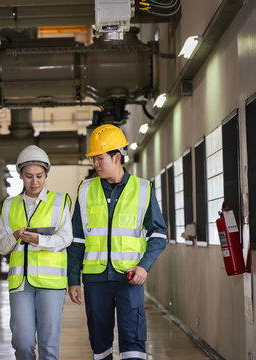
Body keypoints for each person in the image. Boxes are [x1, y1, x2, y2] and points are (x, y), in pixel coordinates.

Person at [67, 124, 167, 360]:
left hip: (128, 278)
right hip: (95, 280)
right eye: (93, 160)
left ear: (117, 157)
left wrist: (144, 266)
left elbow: (159, 234)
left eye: (100, 158)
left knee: (132, 340)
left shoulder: (143, 189)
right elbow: (76, 239)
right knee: (99, 343)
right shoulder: (85, 189)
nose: (96, 164)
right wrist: (73, 280)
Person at [0, 145, 73, 360]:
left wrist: (40, 240)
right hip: (21, 284)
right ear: (20, 175)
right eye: (28, 176)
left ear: (46, 174)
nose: (34, 181)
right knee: (23, 343)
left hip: (51, 284)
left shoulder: (60, 201)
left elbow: (66, 238)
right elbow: (1, 246)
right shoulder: (9, 205)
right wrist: (15, 236)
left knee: (48, 346)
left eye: (39, 176)